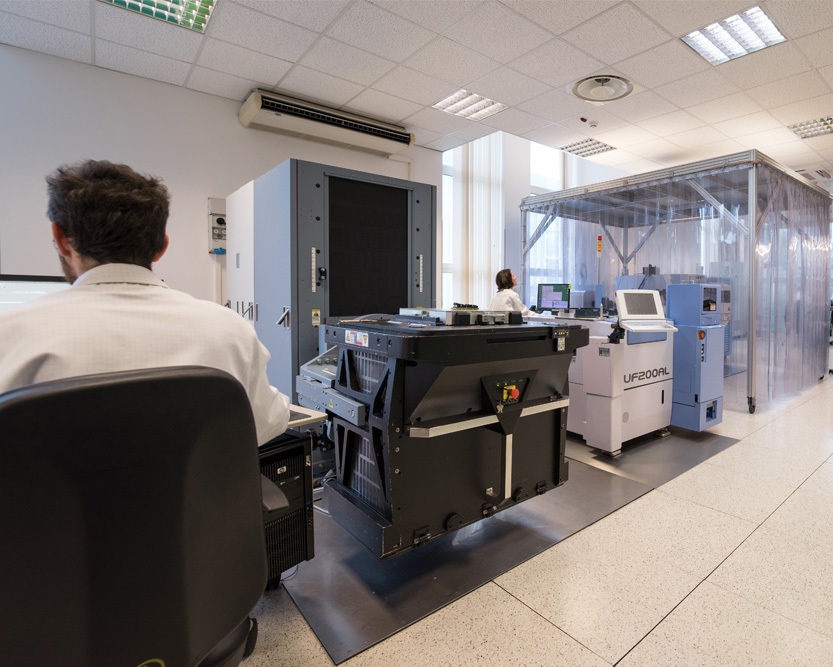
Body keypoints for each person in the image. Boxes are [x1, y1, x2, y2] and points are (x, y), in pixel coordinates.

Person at [0, 159, 289, 444]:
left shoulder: (9, 334)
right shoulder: (230, 329)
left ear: (61, 238)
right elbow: (268, 422)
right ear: (161, 246)